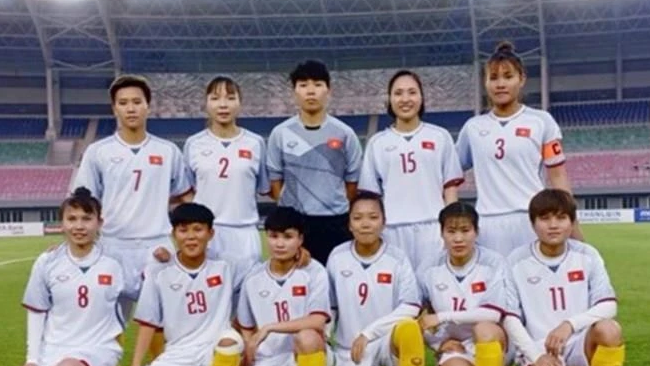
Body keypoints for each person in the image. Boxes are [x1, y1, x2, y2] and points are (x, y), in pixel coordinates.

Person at [73, 74, 193, 366]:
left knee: (162, 323)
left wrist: (178, 238)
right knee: (109, 326)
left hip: (156, 247)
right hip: (112, 247)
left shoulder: (167, 151)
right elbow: (85, 202)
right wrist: (80, 245)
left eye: (137, 102)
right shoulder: (99, 152)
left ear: (148, 106)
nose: (131, 108)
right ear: (114, 108)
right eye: (123, 103)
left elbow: (184, 197)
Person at [503, 189, 626, 366]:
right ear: (533, 223)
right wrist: (536, 356)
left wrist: (569, 325)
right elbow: (509, 318)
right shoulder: (516, 261)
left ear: (572, 221)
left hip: (578, 343)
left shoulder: (587, 255)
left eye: (561, 217)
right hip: (537, 347)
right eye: (545, 218)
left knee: (610, 329)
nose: (553, 225)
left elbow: (608, 305)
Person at [6, 187, 131, 366]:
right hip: (54, 350)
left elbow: (142, 291)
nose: (79, 226)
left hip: (99, 348)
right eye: (72, 219)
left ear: (99, 223)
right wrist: (32, 359)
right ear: (62, 224)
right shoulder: (47, 261)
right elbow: (37, 311)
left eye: (87, 218)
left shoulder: (116, 261)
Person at [123, 203, 244, 366]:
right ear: (173, 234)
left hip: (217, 347)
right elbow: (148, 322)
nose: (190, 236)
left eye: (198, 229)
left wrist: (302, 258)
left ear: (210, 233)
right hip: (179, 352)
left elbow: (268, 273)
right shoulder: (159, 271)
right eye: (183, 230)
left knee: (230, 342)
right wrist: (136, 365)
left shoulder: (227, 266)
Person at [455, 41, 581, 257]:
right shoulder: (473, 127)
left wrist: (573, 225)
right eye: (493, 77)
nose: (500, 84)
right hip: (488, 223)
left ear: (521, 79)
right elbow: (451, 173)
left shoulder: (541, 121)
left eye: (508, 76)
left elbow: (558, 177)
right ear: (485, 82)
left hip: (531, 219)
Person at [327, 191, 427, 366]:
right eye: (358, 218)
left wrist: (369, 332)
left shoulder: (397, 258)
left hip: (386, 341)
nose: (365, 224)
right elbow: (330, 306)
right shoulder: (337, 257)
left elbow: (411, 306)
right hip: (352, 347)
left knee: (409, 329)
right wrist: (325, 334)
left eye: (373, 217)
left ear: (383, 221)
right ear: (349, 223)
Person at [227, 207, 332, 366]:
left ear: (300, 239)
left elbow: (317, 320)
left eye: (288, 236)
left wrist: (270, 327)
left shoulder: (314, 271)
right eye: (274, 236)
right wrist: (248, 351)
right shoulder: (253, 277)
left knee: (307, 336)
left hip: (306, 355)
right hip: (268, 360)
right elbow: (245, 326)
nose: (280, 243)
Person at [418, 202, 511, 366]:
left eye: (465, 230)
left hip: (490, 340)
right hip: (455, 344)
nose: (458, 238)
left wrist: (444, 316)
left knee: (485, 328)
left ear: (476, 232)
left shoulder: (494, 263)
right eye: (451, 231)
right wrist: (438, 344)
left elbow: (494, 314)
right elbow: (415, 317)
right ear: (442, 233)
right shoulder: (429, 267)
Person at [359, 70, 464, 271]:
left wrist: (451, 227)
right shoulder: (377, 143)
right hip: (392, 230)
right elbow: (371, 197)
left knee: (433, 286)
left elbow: (450, 190)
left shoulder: (440, 137)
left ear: (421, 97)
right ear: (389, 100)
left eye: (412, 92)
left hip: (433, 227)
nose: (405, 99)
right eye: (398, 93)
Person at [267, 59, 363, 264]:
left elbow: (352, 182)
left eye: (318, 85)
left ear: (329, 91)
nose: (311, 91)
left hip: (335, 222)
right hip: (295, 223)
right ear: (294, 92)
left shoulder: (345, 133)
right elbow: (275, 182)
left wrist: (332, 204)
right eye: (303, 85)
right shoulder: (280, 133)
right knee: (297, 279)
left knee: (336, 278)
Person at [182, 76, 270, 275]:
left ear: (240, 103)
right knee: (209, 292)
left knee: (248, 293)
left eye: (230, 98)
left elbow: (264, 188)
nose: (223, 105)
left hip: (245, 232)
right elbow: (187, 191)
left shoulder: (255, 143)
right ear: (206, 104)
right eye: (215, 98)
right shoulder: (193, 144)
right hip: (207, 234)